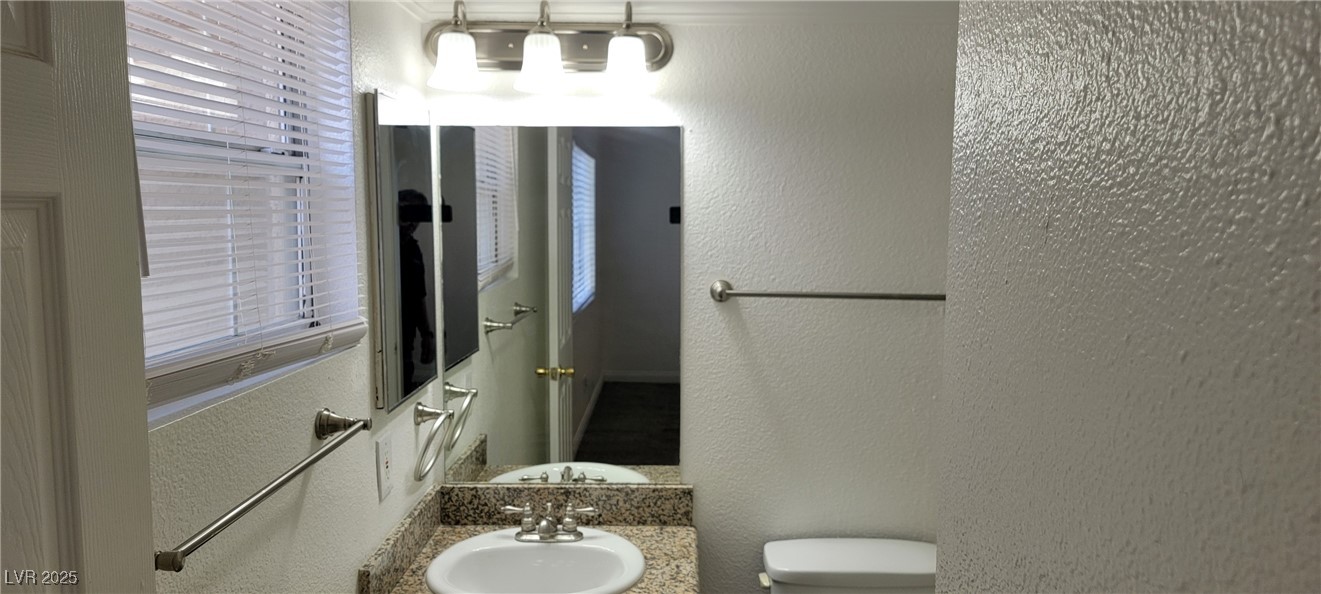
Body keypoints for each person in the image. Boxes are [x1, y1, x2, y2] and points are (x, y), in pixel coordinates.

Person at [398, 189, 435, 393]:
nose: (413, 223)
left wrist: (427, 334)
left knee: (406, 375)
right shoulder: (385, 245)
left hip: (407, 333)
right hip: (390, 335)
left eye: (418, 217)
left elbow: (419, 295)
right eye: (408, 213)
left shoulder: (412, 248)